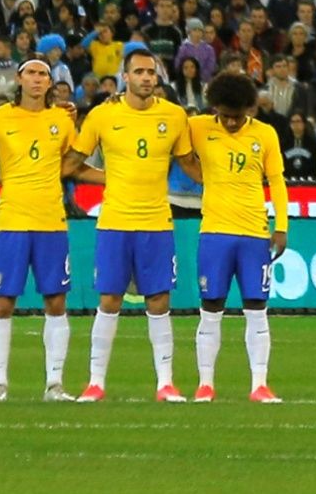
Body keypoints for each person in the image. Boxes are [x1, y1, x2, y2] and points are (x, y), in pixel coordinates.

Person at [71, 48, 194, 402]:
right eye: (139, 72)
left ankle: (166, 383)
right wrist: (112, 177)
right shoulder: (102, 116)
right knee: (110, 299)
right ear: (125, 76)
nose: (146, 78)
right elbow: (75, 165)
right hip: (115, 222)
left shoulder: (173, 116)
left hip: (157, 222)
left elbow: (187, 161)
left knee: (158, 300)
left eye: (151, 72)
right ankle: (95, 383)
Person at [0, 57, 78, 400]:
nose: (36, 79)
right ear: (18, 78)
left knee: (56, 302)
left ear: (50, 83)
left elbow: (72, 164)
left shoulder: (62, 120)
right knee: (4, 303)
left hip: (51, 221)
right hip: (12, 222)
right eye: (31, 73)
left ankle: (55, 383)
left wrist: (116, 178)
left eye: (43, 74)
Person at [182, 70, 290, 402]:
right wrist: (202, 177)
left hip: (255, 233)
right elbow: (177, 148)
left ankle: (259, 384)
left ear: (249, 109)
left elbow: (278, 182)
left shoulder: (266, 134)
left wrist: (282, 225)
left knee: (257, 307)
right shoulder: (198, 127)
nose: (230, 122)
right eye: (225, 116)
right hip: (214, 232)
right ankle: (205, 384)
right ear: (214, 106)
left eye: (237, 116)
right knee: (210, 306)